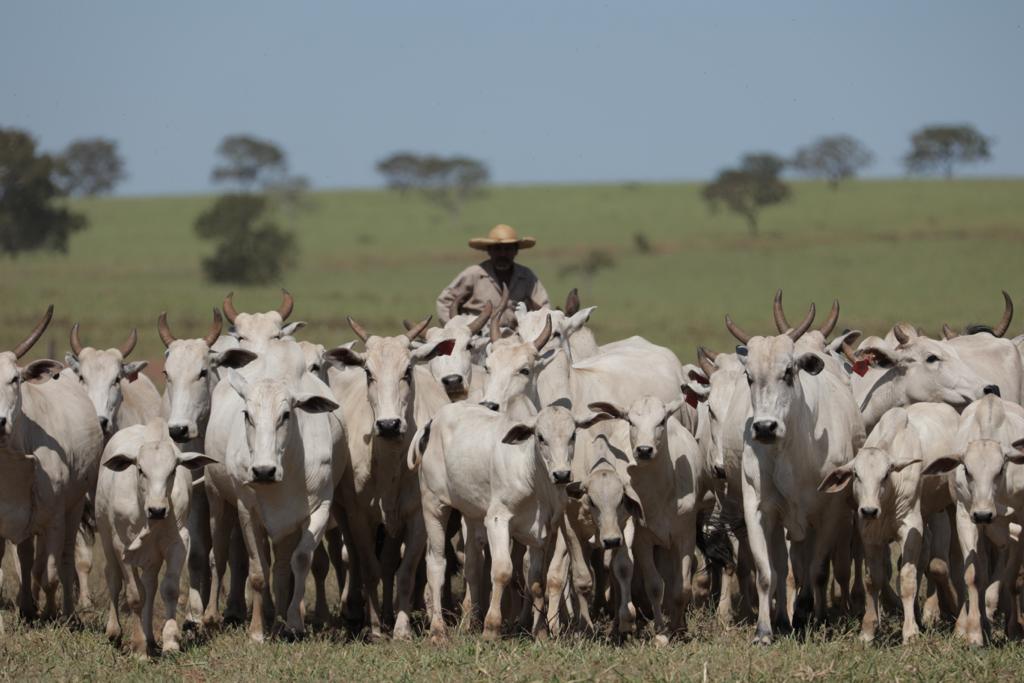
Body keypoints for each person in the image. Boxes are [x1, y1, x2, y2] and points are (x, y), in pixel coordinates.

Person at [436, 224, 550, 324]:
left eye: (508, 249)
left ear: (516, 251)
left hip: (516, 335)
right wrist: (455, 330)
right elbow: (444, 302)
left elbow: (544, 308)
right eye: (497, 249)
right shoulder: (474, 274)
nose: (502, 254)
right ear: (489, 251)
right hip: (478, 339)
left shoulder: (526, 276)